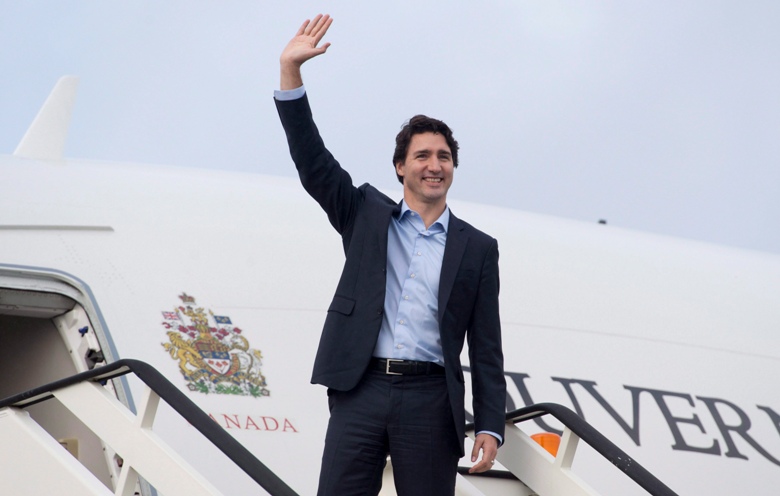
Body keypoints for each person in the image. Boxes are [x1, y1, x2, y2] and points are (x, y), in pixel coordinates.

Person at [274, 14, 506, 496]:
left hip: (430, 398)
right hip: (361, 388)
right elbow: (313, 162)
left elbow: (486, 346)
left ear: (453, 169)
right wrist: (291, 75)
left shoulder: (478, 249)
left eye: (443, 157)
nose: (433, 166)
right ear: (401, 167)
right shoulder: (365, 214)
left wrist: (490, 424)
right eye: (422, 156)